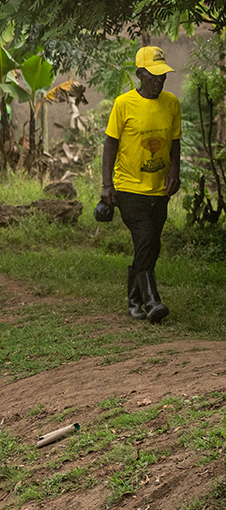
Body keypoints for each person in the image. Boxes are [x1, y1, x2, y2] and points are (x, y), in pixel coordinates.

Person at [101, 46, 182, 324]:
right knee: (146, 236)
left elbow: (175, 142)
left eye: (163, 75)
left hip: (159, 189)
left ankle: (134, 301)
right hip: (128, 188)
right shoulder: (123, 104)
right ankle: (152, 301)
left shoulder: (172, 103)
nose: (160, 80)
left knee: (151, 246)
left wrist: (175, 170)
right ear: (140, 74)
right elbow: (110, 144)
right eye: (154, 75)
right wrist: (106, 185)